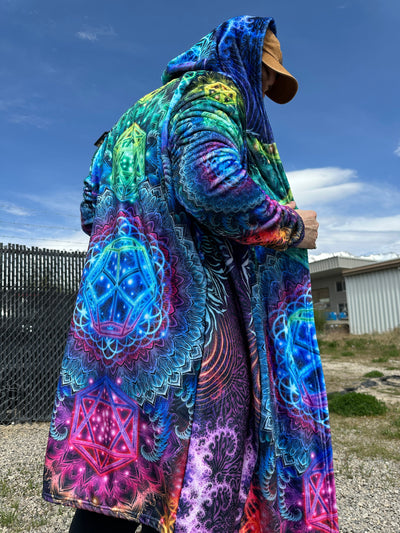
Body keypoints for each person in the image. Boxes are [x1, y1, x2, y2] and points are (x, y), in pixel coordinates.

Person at [43, 15, 339, 533]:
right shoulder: (214, 91)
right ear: (239, 56)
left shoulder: (130, 119)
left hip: (115, 328)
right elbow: (210, 183)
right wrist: (291, 226)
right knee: (198, 492)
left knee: (116, 483)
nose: (264, 89)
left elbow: (90, 210)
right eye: (264, 73)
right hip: (191, 326)